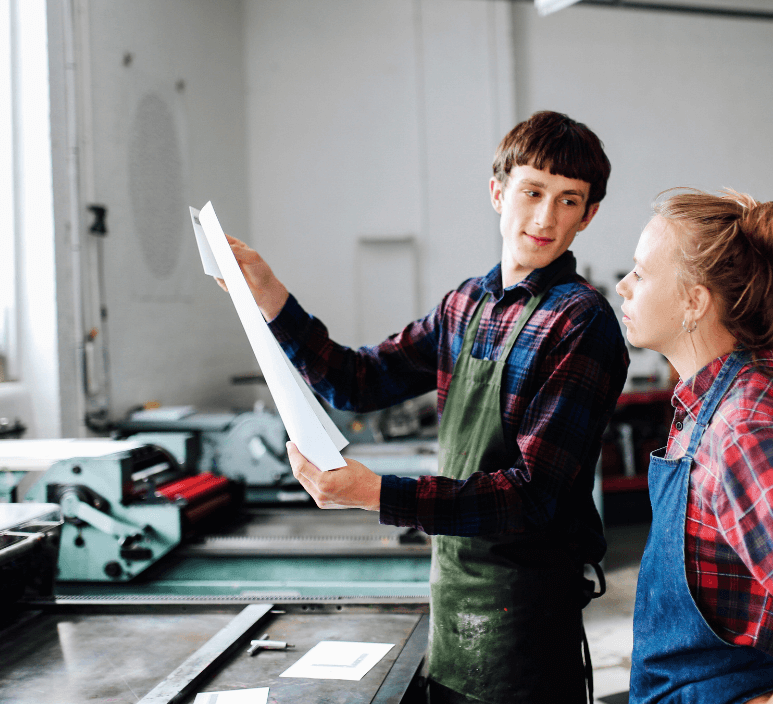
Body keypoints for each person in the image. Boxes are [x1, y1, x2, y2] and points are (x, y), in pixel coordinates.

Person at [222, 111, 629, 704]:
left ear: (588, 215)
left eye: (569, 201)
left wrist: (376, 494)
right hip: (453, 598)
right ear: (498, 192)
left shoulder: (580, 322)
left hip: (530, 618)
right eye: (532, 191)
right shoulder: (465, 306)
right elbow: (356, 380)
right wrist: (269, 297)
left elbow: (531, 496)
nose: (545, 217)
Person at [616, 189, 773, 704]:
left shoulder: (740, 430)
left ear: (693, 301)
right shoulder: (705, 404)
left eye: (640, 273)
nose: (623, 286)